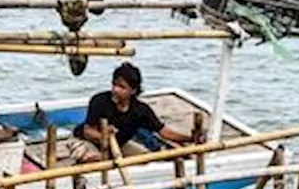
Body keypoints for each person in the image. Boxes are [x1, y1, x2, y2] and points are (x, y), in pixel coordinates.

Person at [61, 62, 200, 163]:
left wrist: (190, 138)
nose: (115, 90)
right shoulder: (100, 101)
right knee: (96, 160)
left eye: (122, 87)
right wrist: (104, 136)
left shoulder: (140, 110)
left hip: (118, 145)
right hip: (85, 141)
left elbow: (163, 131)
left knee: (145, 158)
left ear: (133, 91)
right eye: (114, 85)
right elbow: (88, 131)